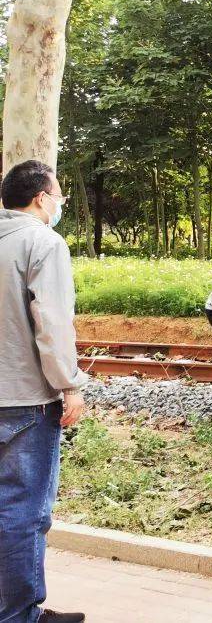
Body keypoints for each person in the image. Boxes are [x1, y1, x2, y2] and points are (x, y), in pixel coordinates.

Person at [0, 160, 88, 623]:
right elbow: (52, 324)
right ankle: (19, 615)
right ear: (41, 198)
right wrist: (68, 386)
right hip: (24, 401)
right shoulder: (43, 242)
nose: (59, 205)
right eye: (59, 197)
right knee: (23, 512)